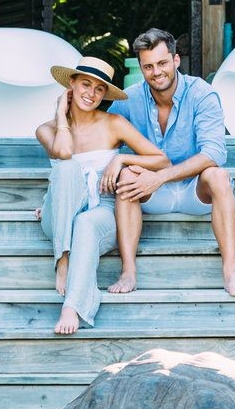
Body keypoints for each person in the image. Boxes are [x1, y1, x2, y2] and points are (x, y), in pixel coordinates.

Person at [105, 28, 235, 297]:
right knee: (126, 177)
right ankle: (128, 271)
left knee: (218, 175)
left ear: (175, 60)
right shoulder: (130, 98)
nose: (156, 72)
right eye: (148, 66)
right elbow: (98, 140)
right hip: (150, 194)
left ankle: (230, 271)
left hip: (195, 192)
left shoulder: (202, 94)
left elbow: (214, 153)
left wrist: (160, 176)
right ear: (141, 68)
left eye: (162, 63)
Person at [36, 57, 168, 336]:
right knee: (67, 168)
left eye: (99, 89)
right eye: (85, 85)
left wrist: (119, 161)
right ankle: (63, 258)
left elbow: (160, 160)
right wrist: (62, 116)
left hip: (101, 209)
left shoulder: (114, 123)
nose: (91, 94)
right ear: (71, 84)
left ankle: (72, 306)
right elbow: (62, 153)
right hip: (59, 215)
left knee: (84, 223)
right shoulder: (46, 129)